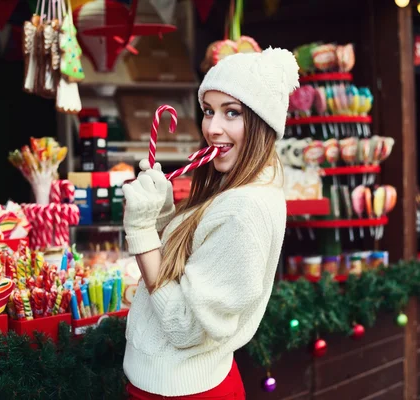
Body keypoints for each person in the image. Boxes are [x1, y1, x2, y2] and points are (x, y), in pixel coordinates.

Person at [121, 47, 300, 399]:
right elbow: (190, 265)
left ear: (263, 122)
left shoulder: (245, 207)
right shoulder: (234, 184)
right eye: (208, 111)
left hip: (183, 392)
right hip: (175, 385)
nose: (212, 128)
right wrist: (162, 214)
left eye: (231, 112)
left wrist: (141, 231)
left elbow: (183, 325)